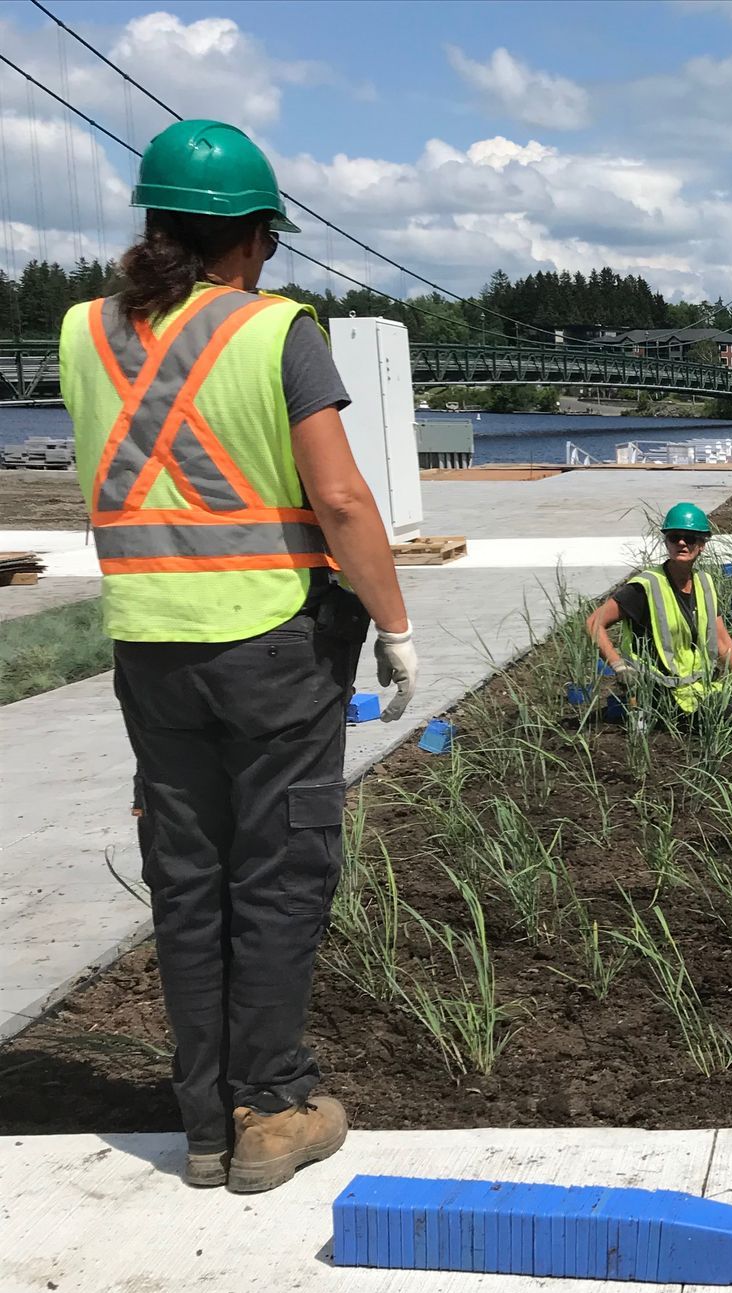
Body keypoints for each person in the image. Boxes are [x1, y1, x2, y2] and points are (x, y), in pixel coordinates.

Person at [58, 119, 418, 1193]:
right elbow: (342, 498)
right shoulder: (275, 332)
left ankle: (204, 1118)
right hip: (273, 649)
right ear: (255, 238)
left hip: (150, 656)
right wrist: (393, 629)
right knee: (277, 876)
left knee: (187, 881)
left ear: (155, 223)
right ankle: (273, 1104)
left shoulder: (82, 332)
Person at [584, 502, 732, 720]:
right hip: (659, 694)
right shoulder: (645, 587)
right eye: (675, 537)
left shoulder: (704, 584)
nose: (682, 543)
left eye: (690, 538)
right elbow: (593, 623)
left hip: (697, 690)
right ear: (667, 541)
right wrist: (619, 666)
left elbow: (722, 642)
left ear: (702, 544)